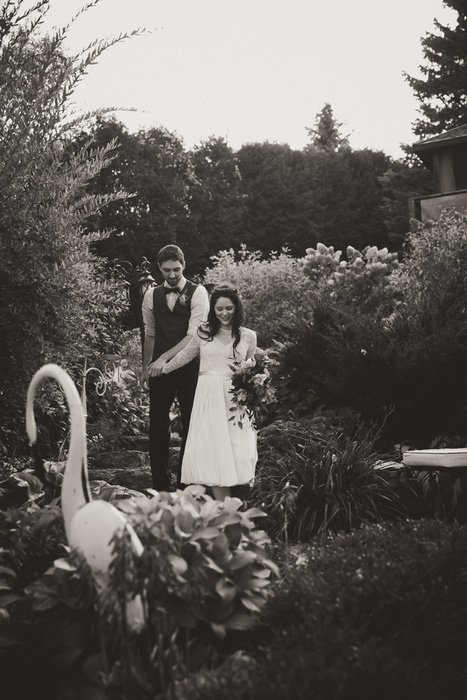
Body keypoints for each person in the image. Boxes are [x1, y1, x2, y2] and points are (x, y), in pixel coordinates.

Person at [161, 285, 258, 500]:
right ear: (212, 309)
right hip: (208, 397)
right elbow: (186, 355)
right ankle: (223, 509)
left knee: (238, 450)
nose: (224, 313)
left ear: (237, 308)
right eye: (219, 309)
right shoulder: (203, 332)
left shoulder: (249, 336)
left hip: (235, 400)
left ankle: (235, 505)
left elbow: (251, 368)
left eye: (229, 308)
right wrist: (163, 368)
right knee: (212, 451)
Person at [141, 245, 209, 491]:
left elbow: (194, 336)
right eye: (167, 270)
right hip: (159, 371)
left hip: (189, 369)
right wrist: (145, 366)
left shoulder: (198, 293)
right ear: (159, 268)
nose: (172, 275)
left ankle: (185, 481)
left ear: (184, 266)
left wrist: (164, 359)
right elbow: (150, 333)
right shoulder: (151, 294)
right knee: (158, 426)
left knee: (191, 424)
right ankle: (160, 483)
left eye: (176, 270)